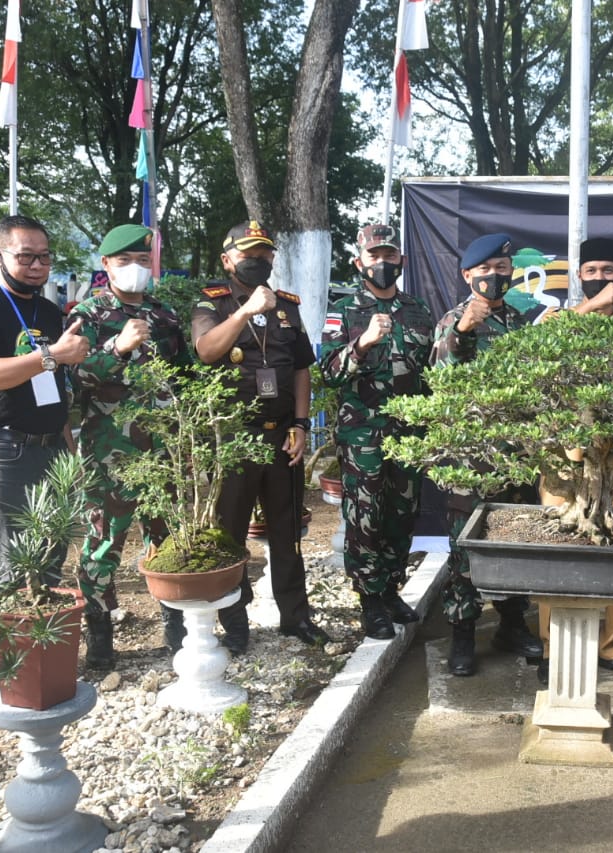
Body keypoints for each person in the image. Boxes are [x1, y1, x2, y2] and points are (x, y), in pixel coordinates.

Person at [192, 220, 330, 652]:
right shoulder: (210, 304)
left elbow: (302, 369)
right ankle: (235, 623)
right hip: (235, 440)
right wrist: (244, 311)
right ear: (228, 259)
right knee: (230, 533)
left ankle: (296, 618)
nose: (258, 261)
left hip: (282, 438)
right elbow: (207, 350)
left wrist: (303, 425)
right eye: (248, 254)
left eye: (265, 254)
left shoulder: (287, 307)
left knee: (287, 533)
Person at [535, 237, 613, 685]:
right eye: (590, 272)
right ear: (579, 277)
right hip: (565, 460)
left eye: (609, 271)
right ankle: (552, 647)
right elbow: (533, 354)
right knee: (560, 543)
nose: (599, 280)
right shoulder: (557, 323)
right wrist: (591, 309)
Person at [67, 224, 191, 668]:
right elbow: (74, 377)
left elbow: (186, 380)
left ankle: (177, 626)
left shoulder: (166, 316)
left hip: (162, 452)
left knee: (171, 541)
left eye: (142, 261)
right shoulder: (89, 315)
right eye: (125, 262)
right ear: (106, 266)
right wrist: (117, 349)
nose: (135, 270)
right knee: (103, 546)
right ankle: (99, 638)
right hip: (110, 454)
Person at [430, 232, 545, 677]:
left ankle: (512, 625)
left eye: (502, 269)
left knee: (517, 544)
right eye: (485, 271)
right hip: (469, 463)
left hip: (517, 459)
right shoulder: (451, 320)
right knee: (466, 551)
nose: (495, 277)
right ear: (467, 276)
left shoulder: (519, 322)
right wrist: (464, 332)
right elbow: (441, 377)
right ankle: (463, 632)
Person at [0, 214, 90, 579]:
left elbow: (54, 387)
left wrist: (69, 453)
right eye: (25, 256)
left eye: (44, 257)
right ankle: (15, 637)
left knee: (52, 553)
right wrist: (53, 355)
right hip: (5, 447)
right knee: (15, 562)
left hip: (52, 446)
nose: (36, 266)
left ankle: (46, 633)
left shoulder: (47, 311)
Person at [319, 224, 435, 640]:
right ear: (359, 262)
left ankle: (389, 589)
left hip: (409, 434)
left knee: (401, 515)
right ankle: (369, 599)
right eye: (374, 256)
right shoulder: (346, 309)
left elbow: (432, 373)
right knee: (365, 517)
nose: (383, 263)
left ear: (401, 260)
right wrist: (363, 343)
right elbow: (329, 374)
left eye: (389, 256)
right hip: (363, 433)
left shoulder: (418, 309)